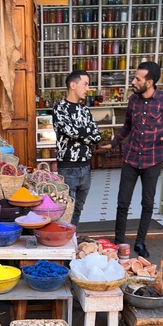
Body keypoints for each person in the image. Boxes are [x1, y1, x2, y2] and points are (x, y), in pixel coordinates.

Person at [102, 61, 163, 258]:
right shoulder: (133, 100)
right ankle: (119, 242)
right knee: (122, 202)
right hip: (131, 158)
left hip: (153, 160)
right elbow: (127, 126)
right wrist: (113, 143)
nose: (133, 81)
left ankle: (140, 242)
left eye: (138, 79)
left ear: (150, 82)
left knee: (147, 203)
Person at [52, 71, 102, 228]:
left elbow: (96, 136)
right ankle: (65, 243)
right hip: (68, 168)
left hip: (85, 168)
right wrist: (84, 133)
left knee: (78, 209)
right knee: (67, 210)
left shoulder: (85, 110)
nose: (88, 88)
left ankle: (72, 238)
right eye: (85, 84)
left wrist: (80, 134)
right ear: (73, 85)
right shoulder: (59, 108)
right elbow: (71, 132)